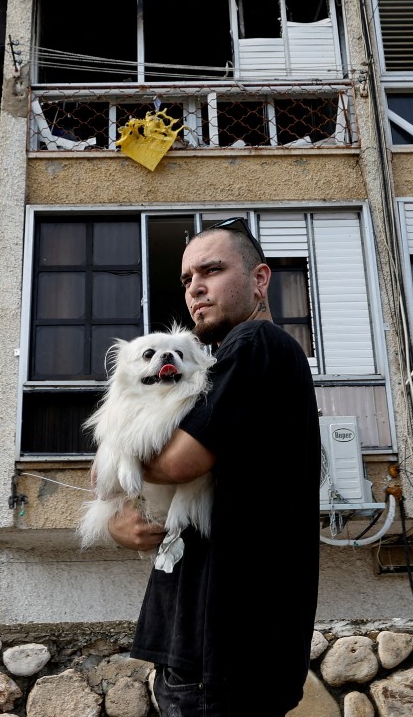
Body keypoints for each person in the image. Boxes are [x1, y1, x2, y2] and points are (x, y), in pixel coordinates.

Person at [113, 217, 319, 716]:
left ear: (259, 279)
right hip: (218, 656)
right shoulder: (241, 362)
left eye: (211, 270)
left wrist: (115, 476)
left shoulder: (256, 346)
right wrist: (122, 507)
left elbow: (180, 460)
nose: (195, 288)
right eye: (186, 279)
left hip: (221, 659)